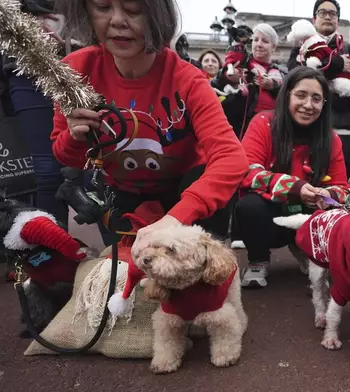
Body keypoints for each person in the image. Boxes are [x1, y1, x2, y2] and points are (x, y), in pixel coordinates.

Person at [50, 0, 247, 246]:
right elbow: (66, 156)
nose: (117, 21)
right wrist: (75, 136)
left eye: (133, 9)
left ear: (158, 14)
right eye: (102, 7)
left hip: (184, 192)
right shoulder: (74, 71)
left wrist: (177, 218)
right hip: (120, 194)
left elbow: (231, 158)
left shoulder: (189, 80)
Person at [235, 67, 350, 288]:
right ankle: (258, 259)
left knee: (339, 210)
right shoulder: (263, 123)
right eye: (301, 95)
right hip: (270, 217)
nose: (308, 105)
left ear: (324, 105)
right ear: (286, 94)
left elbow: (342, 188)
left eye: (317, 99)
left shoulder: (331, 139)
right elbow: (246, 171)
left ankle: (310, 251)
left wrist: (327, 195)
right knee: (249, 206)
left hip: (309, 217)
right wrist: (294, 187)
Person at [2, 2, 72, 224]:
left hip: (91, 53)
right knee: (48, 171)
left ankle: (120, 252)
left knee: (105, 170)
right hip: (28, 63)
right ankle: (54, 250)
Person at [287, 0, 350, 176]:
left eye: (332, 14)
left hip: (341, 129)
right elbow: (293, 75)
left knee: (338, 186)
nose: (327, 16)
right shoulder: (302, 46)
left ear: (338, 21)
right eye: (322, 13)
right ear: (314, 19)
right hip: (306, 130)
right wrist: (336, 63)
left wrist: (339, 99)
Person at [218, 23, 284, 138]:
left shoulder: (282, 73)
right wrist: (227, 77)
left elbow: (289, 94)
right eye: (256, 40)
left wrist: (274, 86)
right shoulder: (243, 63)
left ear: (274, 47)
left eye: (265, 41)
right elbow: (214, 84)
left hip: (274, 127)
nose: (259, 44)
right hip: (243, 128)